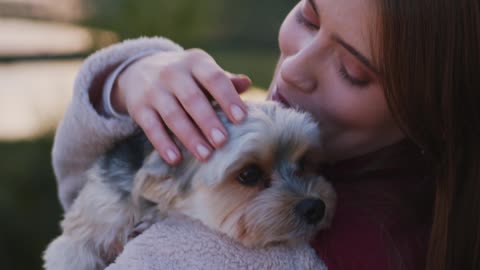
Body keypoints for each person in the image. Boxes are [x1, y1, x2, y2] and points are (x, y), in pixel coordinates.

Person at [51, 0, 480, 269]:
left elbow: (75, 201)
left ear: (428, 111)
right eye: (308, 18)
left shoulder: (206, 253)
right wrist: (126, 78)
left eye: (352, 72)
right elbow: (80, 200)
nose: (293, 68)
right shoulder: (433, 196)